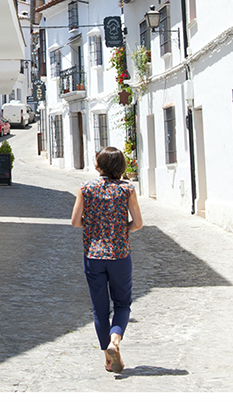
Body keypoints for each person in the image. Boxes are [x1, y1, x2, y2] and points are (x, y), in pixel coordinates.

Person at [70, 145, 143, 373]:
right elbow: (138, 223)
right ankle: (115, 341)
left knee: (100, 309)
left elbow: (75, 221)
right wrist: (122, 229)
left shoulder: (86, 188)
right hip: (120, 254)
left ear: (98, 165)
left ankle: (108, 359)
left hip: (93, 255)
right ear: (120, 166)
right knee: (122, 303)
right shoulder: (127, 190)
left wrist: (93, 228)